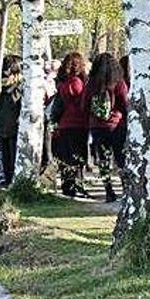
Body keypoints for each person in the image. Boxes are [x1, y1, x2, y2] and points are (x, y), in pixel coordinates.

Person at [84, 52, 128, 203]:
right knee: (120, 158)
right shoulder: (119, 82)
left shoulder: (92, 83)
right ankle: (125, 188)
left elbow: (84, 104)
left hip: (97, 126)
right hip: (117, 125)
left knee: (103, 159)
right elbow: (124, 103)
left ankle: (109, 190)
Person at [54, 52, 89, 198]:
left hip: (64, 123)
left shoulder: (62, 83)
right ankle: (78, 185)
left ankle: (67, 186)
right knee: (78, 156)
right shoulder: (77, 83)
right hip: (79, 124)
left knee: (66, 156)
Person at [0, 55, 23, 187]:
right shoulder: (18, 86)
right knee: (11, 154)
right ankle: (12, 180)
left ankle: (9, 180)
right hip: (12, 123)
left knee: (7, 154)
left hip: (4, 123)